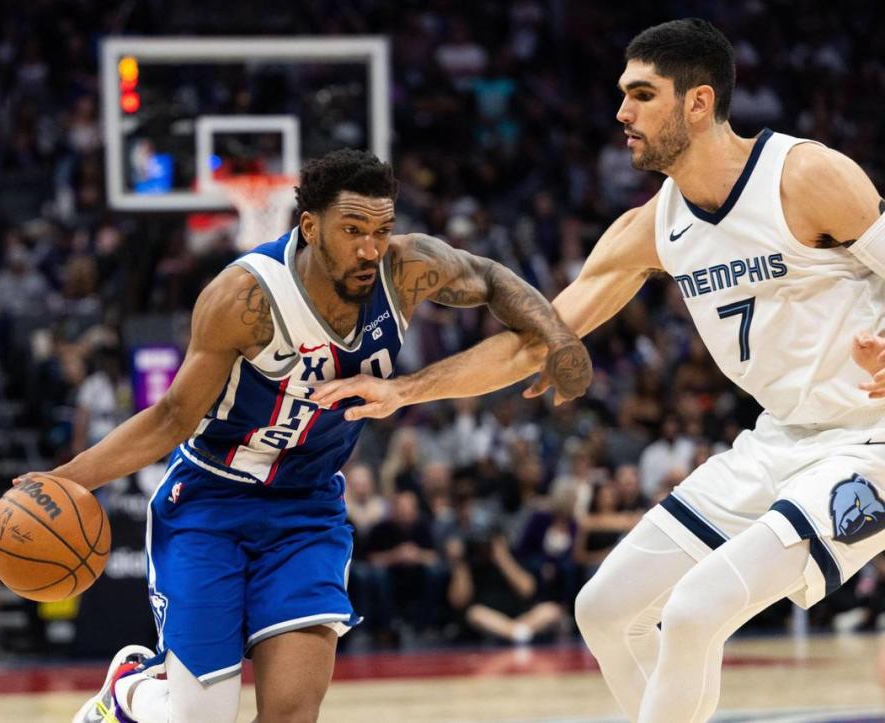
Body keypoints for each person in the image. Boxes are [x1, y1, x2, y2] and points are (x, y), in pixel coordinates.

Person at [311, 20, 885, 723]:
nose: (622, 113)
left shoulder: (806, 176)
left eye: (642, 95)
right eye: (622, 95)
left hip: (869, 439)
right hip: (779, 439)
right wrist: (404, 389)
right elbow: (537, 341)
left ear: (698, 103)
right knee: (605, 609)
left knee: (699, 609)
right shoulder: (652, 227)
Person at [19, 148, 590, 723]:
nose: (370, 247)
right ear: (310, 227)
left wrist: (558, 337)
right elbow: (172, 418)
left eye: (381, 229)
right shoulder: (244, 300)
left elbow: (488, 277)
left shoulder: (405, 268)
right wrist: (64, 480)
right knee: (199, 719)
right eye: (352, 230)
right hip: (212, 502)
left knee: (292, 715)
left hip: (306, 509)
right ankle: (130, 688)